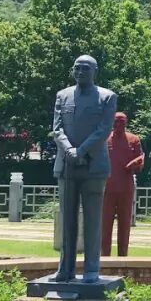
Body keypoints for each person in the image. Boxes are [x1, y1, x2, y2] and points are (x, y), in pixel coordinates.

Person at [52, 55, 117, 283]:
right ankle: (65, 268)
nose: (80, 72)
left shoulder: (107, 97)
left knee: (92, 219)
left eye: (85, 68)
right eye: (77, 68)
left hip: (94, 165)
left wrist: (81, 152)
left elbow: (104, 129)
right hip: (67, 166)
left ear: (95, 71)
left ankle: (91, 269)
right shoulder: (63, 95)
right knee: (67, 219)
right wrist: (70, 151)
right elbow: (57, 129)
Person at [101, 112, 144, 257]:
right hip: (107, 189)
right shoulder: (104, 139)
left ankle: (123, 257)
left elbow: (140, 164)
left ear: (126, 123)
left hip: (126, 188)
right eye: (116, 122)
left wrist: (136, 164)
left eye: (122, 122)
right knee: (105, 225)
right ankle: (104, 258)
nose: (119, 125)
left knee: (125, 225)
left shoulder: (134, 140)